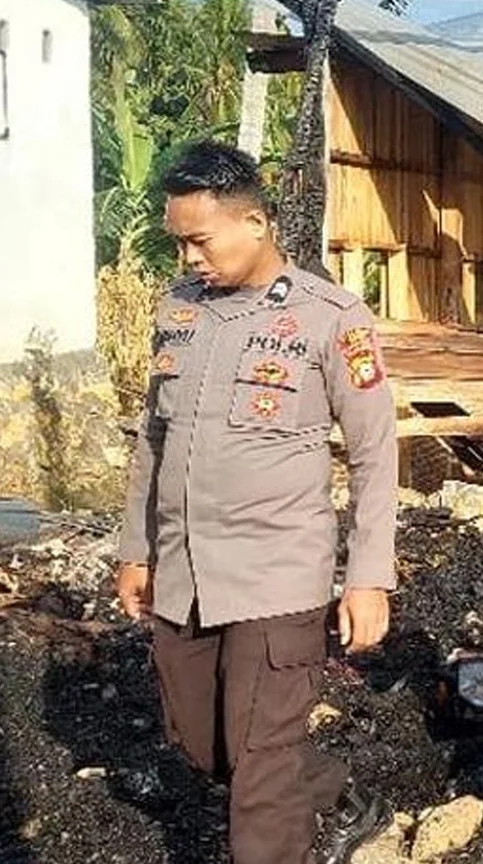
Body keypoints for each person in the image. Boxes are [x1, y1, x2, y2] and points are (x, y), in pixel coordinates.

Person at [113, 141, 397, 864]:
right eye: (179, 243)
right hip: (185, 574)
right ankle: (338, 794)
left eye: (199, 241)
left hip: (278, 577)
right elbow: (153, 439)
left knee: (261, 770)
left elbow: (373, 451)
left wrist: (367, 577)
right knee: (205, 745)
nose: (189, 260)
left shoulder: (331, 316)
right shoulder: (178, 312)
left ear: (256, 225)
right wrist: (135, 551)